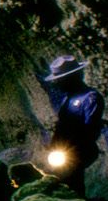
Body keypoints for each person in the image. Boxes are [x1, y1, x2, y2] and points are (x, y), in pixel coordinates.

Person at [40, 55, 104, 193]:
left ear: (71, 77)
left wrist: (73, 153)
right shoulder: (68, 98)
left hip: (76, 153)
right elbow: (62, 125)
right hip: (62, 153)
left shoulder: (90, 97)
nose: (56, 83)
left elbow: (90, 130)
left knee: (73, 185)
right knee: (61, 185)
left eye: (59, 79)